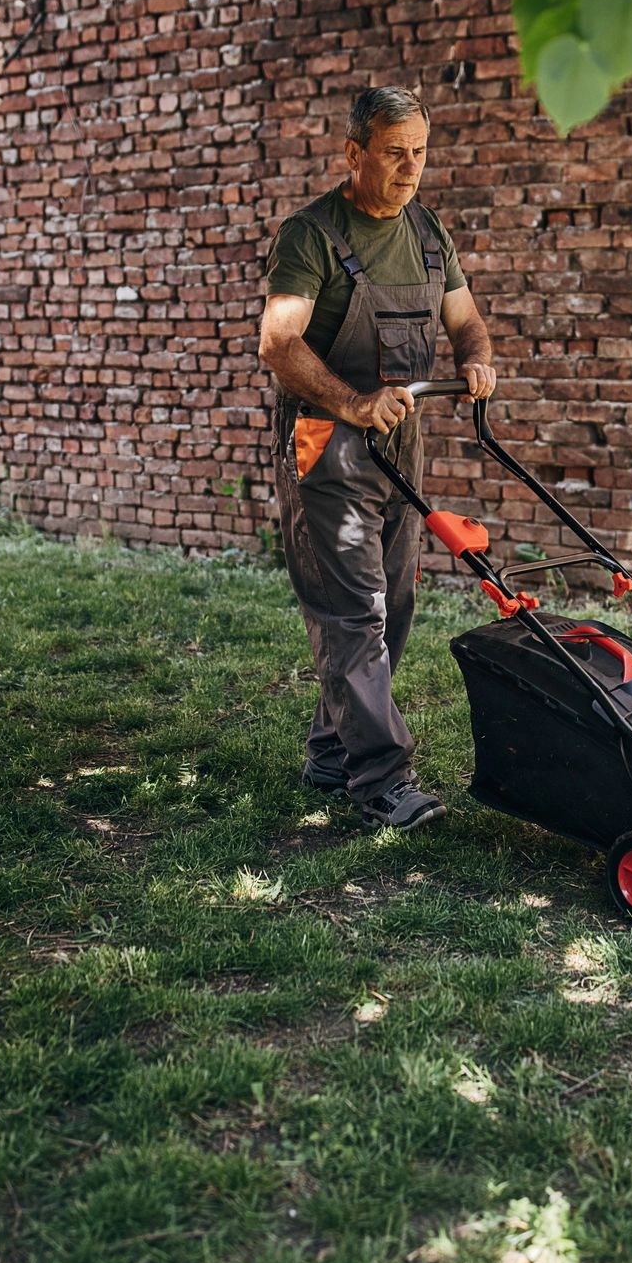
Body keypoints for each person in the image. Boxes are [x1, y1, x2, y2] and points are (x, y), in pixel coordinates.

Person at [257, 87, 498, 830]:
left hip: (400, 445)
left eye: (419, 152)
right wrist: (354, 404)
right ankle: (382, 780)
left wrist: (478, 359)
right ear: (354, 153)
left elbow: (465, 321)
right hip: (327, 445)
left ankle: (333, 753)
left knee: (393, 606)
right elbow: (278, 343)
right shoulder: (313, 236)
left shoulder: (428, 233)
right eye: (394, 152)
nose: (410, 167)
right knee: (354, 613)